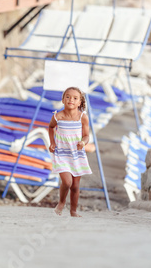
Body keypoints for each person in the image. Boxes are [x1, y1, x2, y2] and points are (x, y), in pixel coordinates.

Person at [48, 87, 92, 217]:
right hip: (62, 154)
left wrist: (83, 143)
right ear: (63, 100)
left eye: (75, 98)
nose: (71, 100)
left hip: (76, 155)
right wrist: (52, 142)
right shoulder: (57, 117)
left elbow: (86, 136)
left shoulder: (82, 118)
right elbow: (50, 127)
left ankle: (73, 211)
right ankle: (61, 203)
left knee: (75, 186)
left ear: (80, 102)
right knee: (67, 182)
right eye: (67, 97)